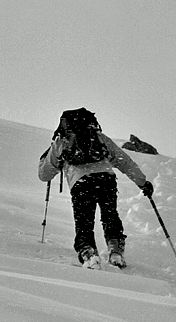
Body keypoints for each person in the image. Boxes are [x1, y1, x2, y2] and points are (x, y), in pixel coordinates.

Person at [38, 108, 153, 269]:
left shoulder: (61, 142)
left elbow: (44, 175)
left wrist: (46, 159)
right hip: (106, 179)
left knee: (84, 221)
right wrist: (142, 182)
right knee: (110, 215)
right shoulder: (99, 138)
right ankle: (115, 250)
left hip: (81, 183)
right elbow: (124, 160)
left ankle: (89, 253)